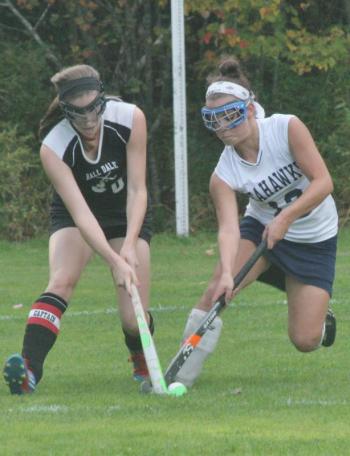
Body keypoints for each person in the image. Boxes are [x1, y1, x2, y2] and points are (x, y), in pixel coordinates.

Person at [175, 57, 338, 388]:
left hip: (315, 238)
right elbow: (228, 228)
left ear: (249, 110)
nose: (223, 128)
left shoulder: (286, 127)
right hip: (261, 230)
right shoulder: (223, 173)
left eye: (230, 116)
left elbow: (323, 182)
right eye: (214, 120)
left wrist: (287, 218)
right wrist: (224, 272)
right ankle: (180, 376)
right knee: (214, 293)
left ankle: (320, 316)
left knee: (305, 340)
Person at [3, 64, 154, 394]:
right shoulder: (53, 147)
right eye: (77, 113)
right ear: (64, 108)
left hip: (125, 214)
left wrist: (127, 246)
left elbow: (137, 190)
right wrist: (114, 261)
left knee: (133, 316)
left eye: (93, 110)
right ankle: (28, 371)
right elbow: (82, 214)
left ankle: (142, 362)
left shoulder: (130, 119)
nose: (88, 121)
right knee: (61, 280)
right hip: (76, 216)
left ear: (101, 98)